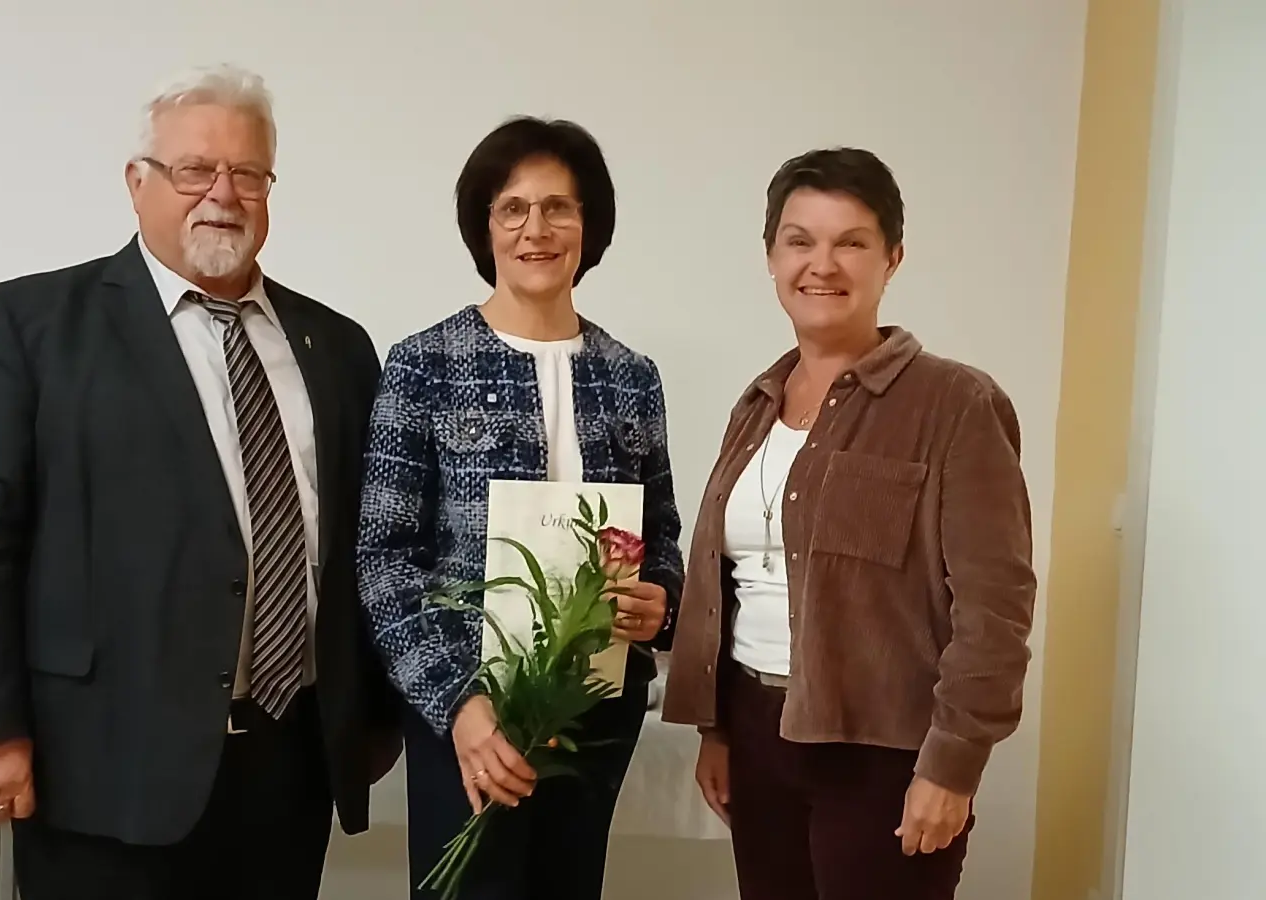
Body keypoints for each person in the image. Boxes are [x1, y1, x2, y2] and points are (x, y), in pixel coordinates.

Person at [0, 63, 401, 900]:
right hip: (102, 771)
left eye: (248, 173)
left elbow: (366, 542)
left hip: (288, 768)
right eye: (194, 170)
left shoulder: (338, 345)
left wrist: (376, 712)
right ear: (137, 184)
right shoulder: (29, 328)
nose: (224, 193)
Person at [660, 147, 1037, 900]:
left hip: (883, 756)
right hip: (757, 740)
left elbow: (996, 610)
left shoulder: (955, 404)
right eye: (799, 240)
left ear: (892, 258)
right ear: (771, 256)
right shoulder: (758, 404)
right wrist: (717, 729)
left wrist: (951, 766)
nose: (821, 264)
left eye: (851, 242)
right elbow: (726, 580)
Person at [356, 116, 686, 900]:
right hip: (466, 717)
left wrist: (659, 600)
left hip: (596, 709)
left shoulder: (632, 375)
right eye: (513, 208)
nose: (536, 229)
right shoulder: (423, 364)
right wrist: (458, 708)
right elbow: (382, 558)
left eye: (558, 208)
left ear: (588, 225)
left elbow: (663, 534)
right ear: (485, 225)